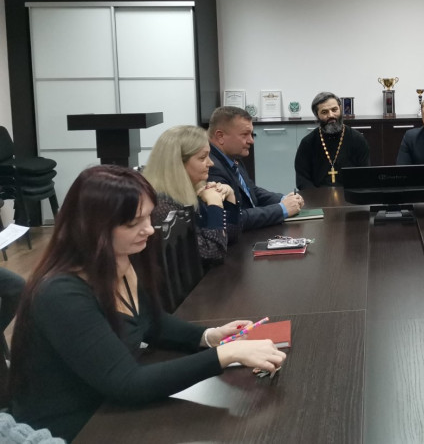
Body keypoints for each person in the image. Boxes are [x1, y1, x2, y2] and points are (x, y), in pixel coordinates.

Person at [9, 166, 286, 441]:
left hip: (109, 410)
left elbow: (150, 321)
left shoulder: (117, 260)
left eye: (148, 217)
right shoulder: (61, 294)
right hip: (70, 428)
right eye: (133, 223)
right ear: (93, 227)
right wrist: (225, 354)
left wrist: (208, 336)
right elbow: (128, 383)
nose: (149, 229)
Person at [144, 125, 239, 265]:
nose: (211, 163)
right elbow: (214, 253)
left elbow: (229, 236)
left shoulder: (194, 189)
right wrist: (215, 205)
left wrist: (230, 198)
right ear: (178, 164)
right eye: (203, 158)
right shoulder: (164, 207)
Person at [207, 106, 303, 229]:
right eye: (244, 134)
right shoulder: (210, 167)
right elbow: (234, 219)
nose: (251, 141)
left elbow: (252, 192)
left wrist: (284, 199)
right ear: (220, 136)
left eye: (251, 134)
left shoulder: (233, 157)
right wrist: (282, 209)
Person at [294, 92, 370, 189]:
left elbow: (364, 174)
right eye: (324, 112)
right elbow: (302, 179)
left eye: (334, 110)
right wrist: (316, 196)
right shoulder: (308, 143)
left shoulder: (357, 139)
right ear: (317, 115)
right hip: (317, 195)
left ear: (340, 109)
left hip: (350, 194)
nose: (331, 115)